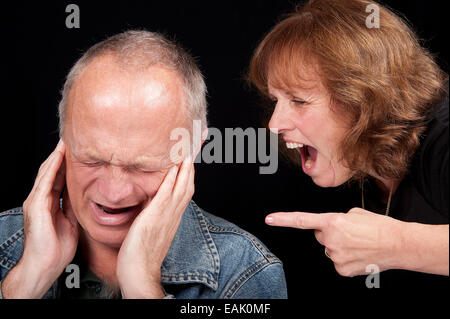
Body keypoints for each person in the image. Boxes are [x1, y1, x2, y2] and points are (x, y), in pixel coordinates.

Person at [0, 30, 287, 299]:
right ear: (63, 138)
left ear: (194, 148)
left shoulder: (245, 273)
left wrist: (142, 284)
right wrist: (27, 280)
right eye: (92, 160)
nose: (113, 193)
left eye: (143, 167)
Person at [249, 0, 448, 279]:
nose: (274, 125)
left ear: (362, 99)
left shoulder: (442, 137)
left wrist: (396, 245)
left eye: (298, 100)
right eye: (276, 100)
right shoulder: (358, 166)